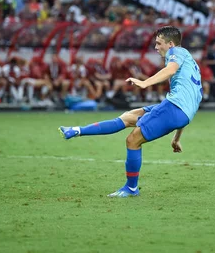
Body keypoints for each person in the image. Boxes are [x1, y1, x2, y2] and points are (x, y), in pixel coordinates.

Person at [58, 26, 203, 198]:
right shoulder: (189, 63)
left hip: (174, 108)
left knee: (133, 140)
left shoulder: (176, 52)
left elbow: (170, 71)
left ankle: (131, 188)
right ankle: (77, 130)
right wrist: (177, 137)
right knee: (128, 117)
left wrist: (145, 83)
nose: (156, 48)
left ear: (170, 44)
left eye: (158, 43)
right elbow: (188, 103)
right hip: (178, 111)